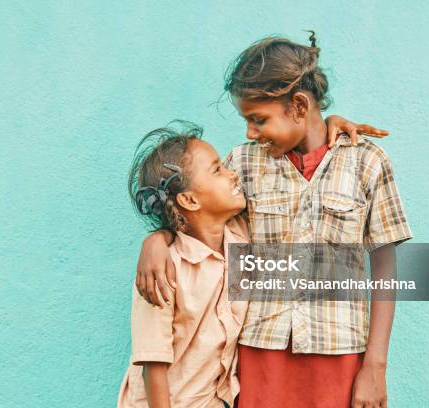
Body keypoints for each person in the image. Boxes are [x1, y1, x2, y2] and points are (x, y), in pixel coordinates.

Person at [135, 32, 412, 407]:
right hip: (258, 356)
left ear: (299, 106)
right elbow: (200, 222)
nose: (250, 132)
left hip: (340, 352)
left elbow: (385, 267)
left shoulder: (368, 162)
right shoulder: (242, 165)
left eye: (259, 119)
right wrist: (157, 240)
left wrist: (375, 366)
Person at [118, 122, 250, 408]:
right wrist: (157, 240)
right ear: (189, 200)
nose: (232, 174)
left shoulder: (239, 238)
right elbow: (154, 364)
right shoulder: (164, 270)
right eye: (217, 169)